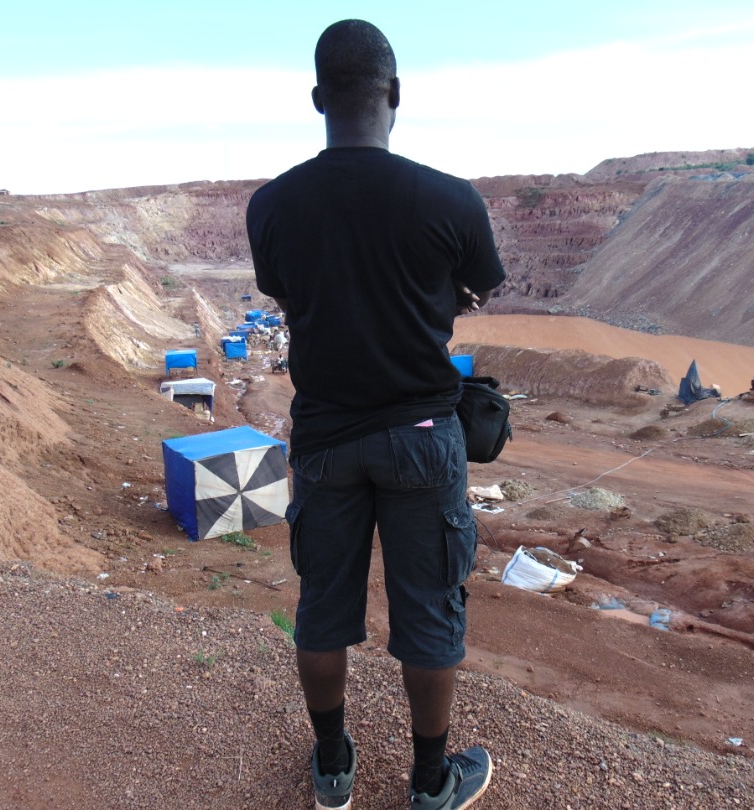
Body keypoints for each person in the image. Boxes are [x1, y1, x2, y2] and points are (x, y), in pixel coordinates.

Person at [246, 19, 505, 810]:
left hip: (325, 439)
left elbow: (288, 297)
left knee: (322, 613)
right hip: (425, 436)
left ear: (320, 98)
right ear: (394, 96)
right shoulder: (451, 199)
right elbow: (477, 289)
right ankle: (431, 782)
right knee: (429, 614)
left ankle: (333, 768)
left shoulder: (273, 205)